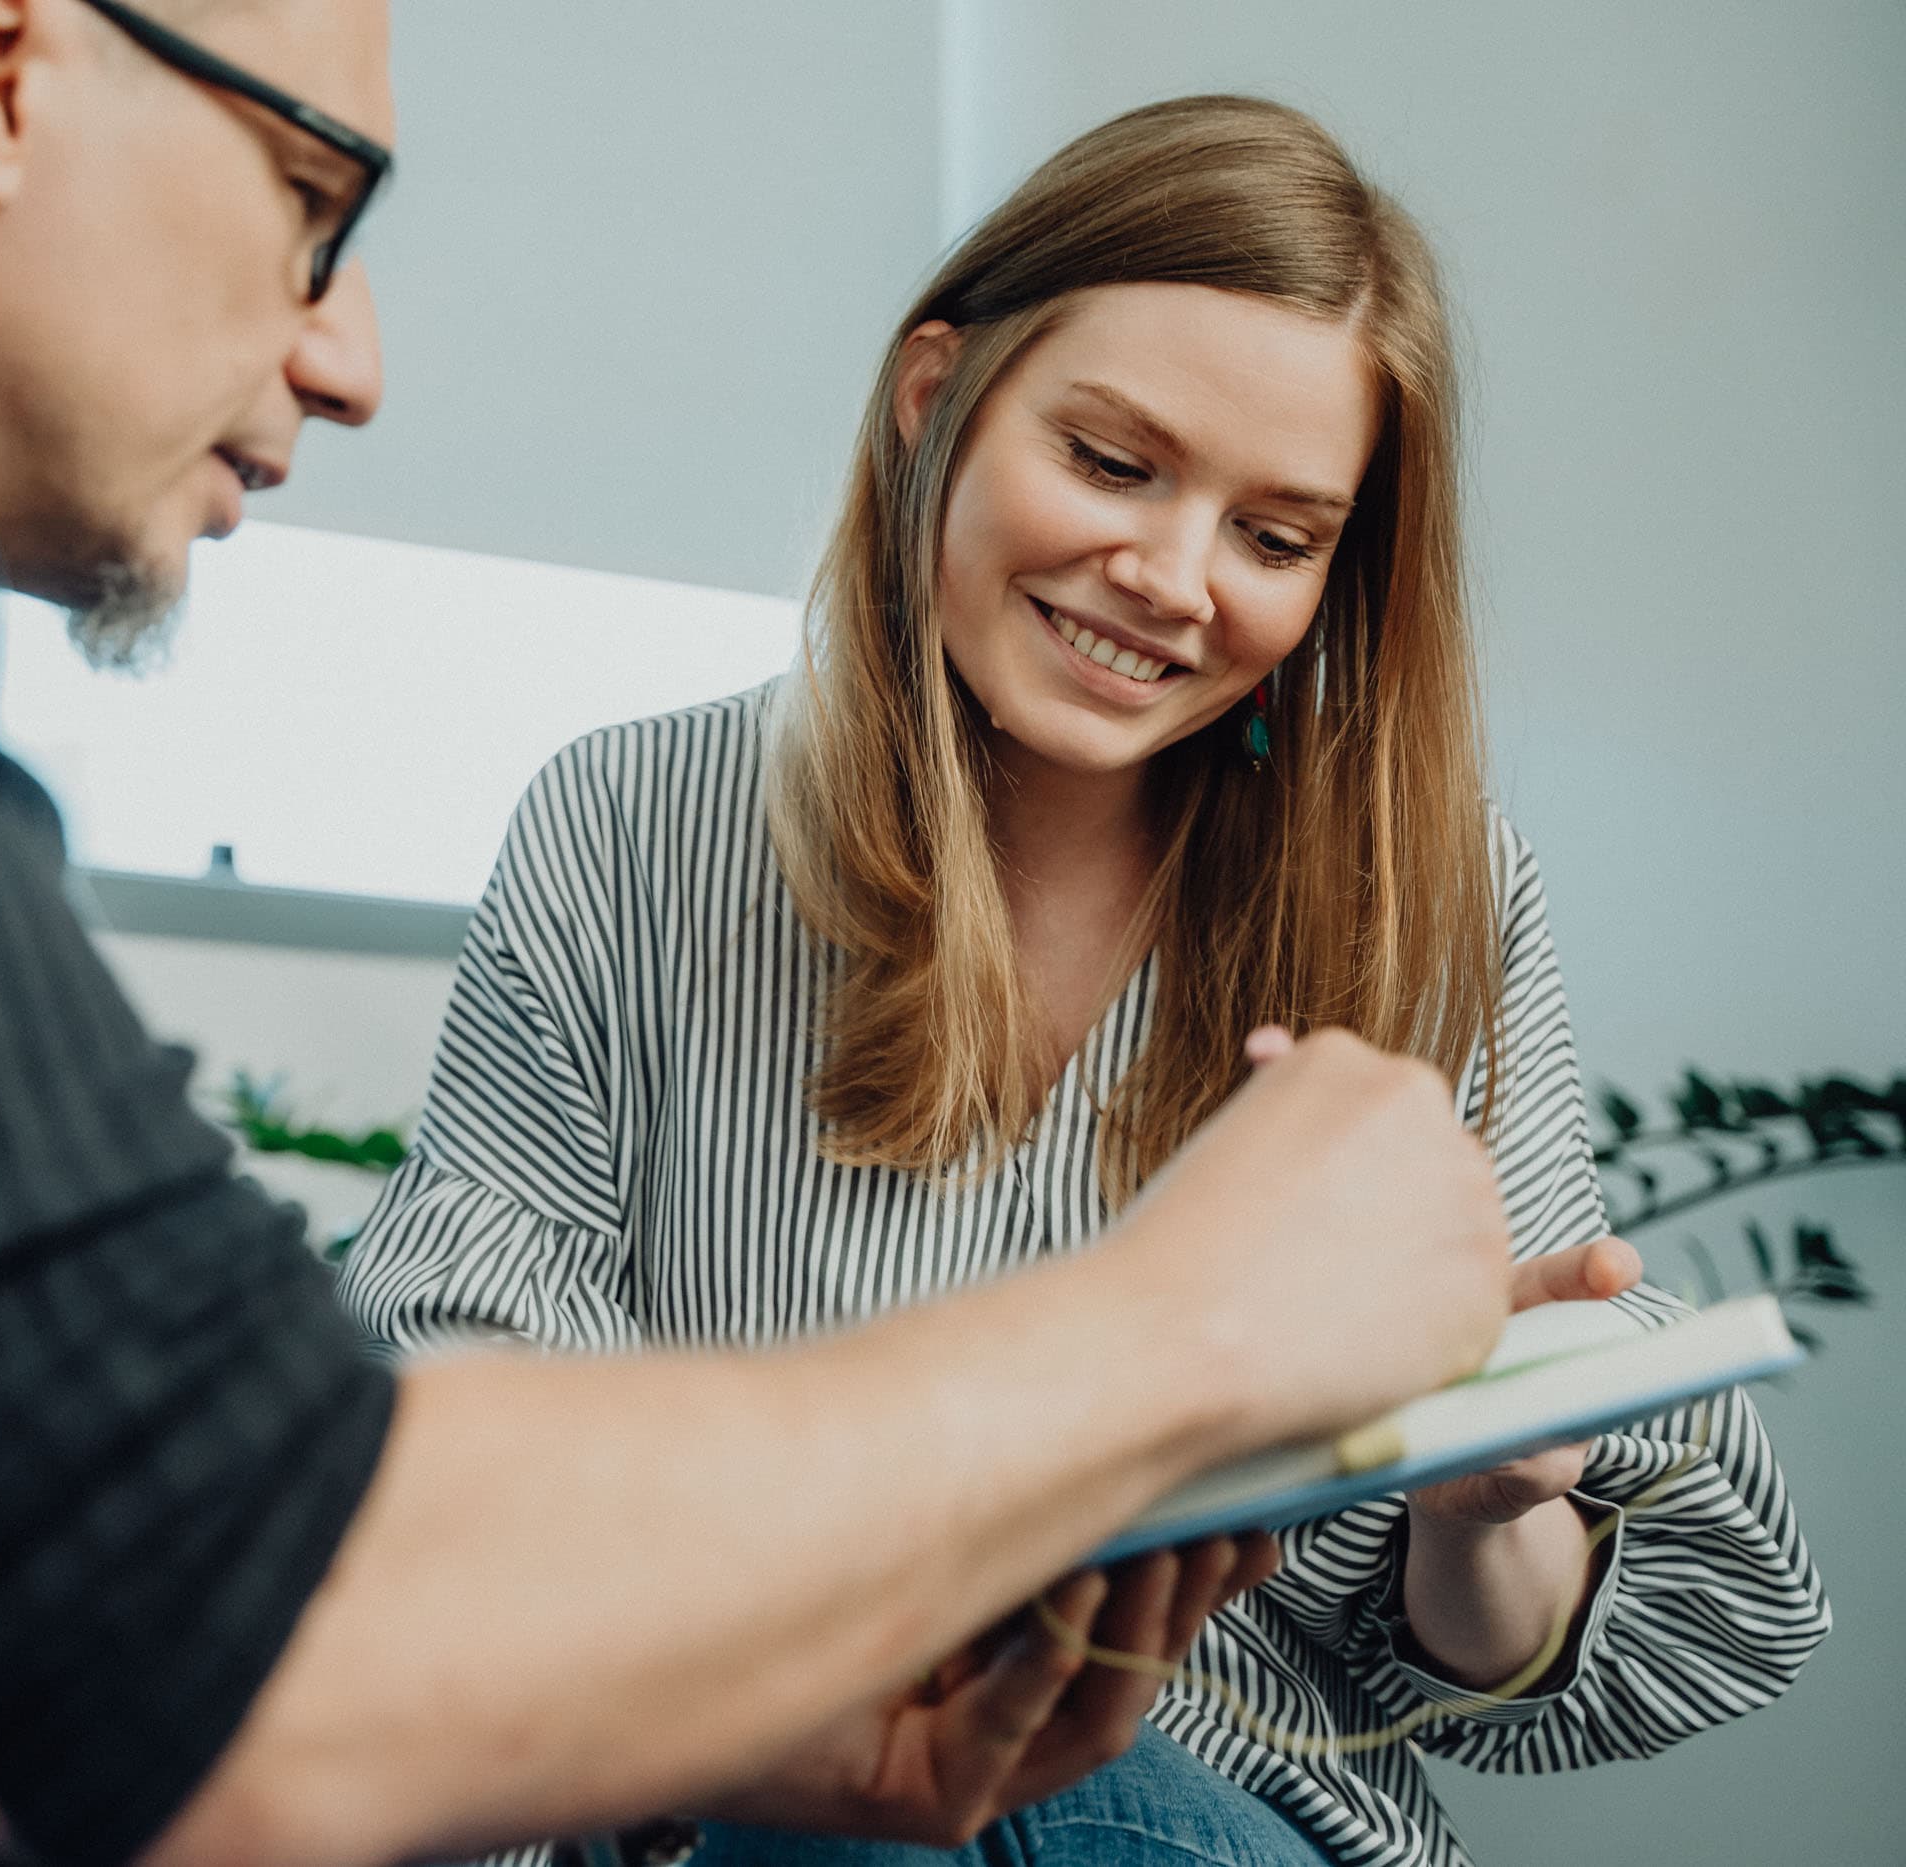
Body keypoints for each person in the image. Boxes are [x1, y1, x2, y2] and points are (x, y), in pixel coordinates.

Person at [0, 4, 1530, 1863]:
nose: (348, 353)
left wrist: (674, 1695)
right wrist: (1183, 1320)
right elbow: (214, 1600)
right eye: (309, 200)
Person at [336, 94, 1830, 1867]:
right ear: (932, 402)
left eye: (1276, 539)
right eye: (1115, 463)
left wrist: (1482, 1503)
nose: (1173, 581)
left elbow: (1484, 1657)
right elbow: (464, 1441)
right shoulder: (633, 825)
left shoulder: (1425, 893)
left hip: (1212, 1806)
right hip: (741, 1791)